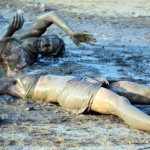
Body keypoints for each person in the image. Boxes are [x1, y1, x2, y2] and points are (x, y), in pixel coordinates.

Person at [0, 38, 150, 131]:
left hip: (83, 80)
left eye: (21, 49)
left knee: (144, 92)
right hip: (70, 91)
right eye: (18, 50)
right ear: (5, 56)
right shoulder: (9, 82)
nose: (23, 53)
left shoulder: (28, 68)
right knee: (119, 103)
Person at [0, 11, 96, 65]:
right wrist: (71, 32)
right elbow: (51, 15)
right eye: (47, 40)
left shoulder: (25, 58)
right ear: (43, 35)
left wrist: (10, 31)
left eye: (48, 47)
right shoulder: (32, 31)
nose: (44, 43)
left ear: (45, 54)